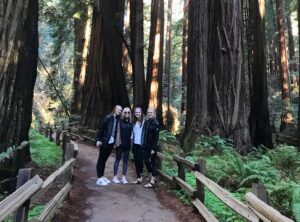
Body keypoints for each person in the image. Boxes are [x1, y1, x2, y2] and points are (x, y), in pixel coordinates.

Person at [95, 105, 122, 186]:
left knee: (105, 159)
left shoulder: (117, 119)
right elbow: (101, 128)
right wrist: (98, 139)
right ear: (114, 109)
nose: (119, 111)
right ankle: (99, 178)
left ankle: (102, 176)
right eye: (118, 109)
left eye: (120, 110)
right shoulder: (108, 117)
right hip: (104, 141)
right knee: (101, 159)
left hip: (111, 143)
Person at [113, 107, 132, 184]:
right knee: (117, 160)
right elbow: (117, 133)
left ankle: (124, 177)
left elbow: (132, 134)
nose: (127, 114)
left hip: (127, 145)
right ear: (123, 113)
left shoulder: (131, 122)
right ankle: (115, 177)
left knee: (125, 161)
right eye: (125, 112)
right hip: (120, 144)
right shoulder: (119, 121)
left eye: (128, 112)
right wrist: (117, 143)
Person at [143, 107, 160, 188]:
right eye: (148, 112)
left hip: (152, 147)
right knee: (146, 161)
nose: (149, 114)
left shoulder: (155, 123)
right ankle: (152, 175)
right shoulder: (147, 122)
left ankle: (152, 181)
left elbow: (156, 138)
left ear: (154, 113)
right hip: (146, 146)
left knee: (153, 163)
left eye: (151, 112)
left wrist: (153, 149)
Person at [131, 107, 146, 184]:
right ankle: (138, 177)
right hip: (135, 144)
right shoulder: (134, 122)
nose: (137, 113)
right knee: (136, 161)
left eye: (139, 112)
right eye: (136, 112)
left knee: (140, 161)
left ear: (141, 113)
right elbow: (132, 133)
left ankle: (140, 175)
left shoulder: (145, 121)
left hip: (141, 145)